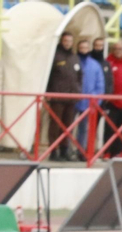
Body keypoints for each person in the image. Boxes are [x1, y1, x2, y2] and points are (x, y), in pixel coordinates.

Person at [47, 33, 82, 161]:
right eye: (65, 40)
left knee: (68, 125)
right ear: (61, 41)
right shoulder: (55, 55)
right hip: (57, 96)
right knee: (55, 125)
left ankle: (64, 150)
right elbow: (48, 75)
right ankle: (53, 151)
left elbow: (79, 76)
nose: (67, 43)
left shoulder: (74, 57)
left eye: (70, 41)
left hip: (71, 97)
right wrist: (48, 92)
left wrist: (78, 91)